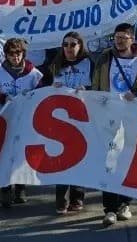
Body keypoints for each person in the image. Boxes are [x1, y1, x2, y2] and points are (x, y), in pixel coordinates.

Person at [91, 22, 137, 226]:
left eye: (123, 38)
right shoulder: (105, 58)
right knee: (109, 160)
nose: (118, 41)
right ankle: (109, 208)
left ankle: (124, 204)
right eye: (116, 37)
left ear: (132, 39)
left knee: (129, 159)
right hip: (108, 116)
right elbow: (95, 84)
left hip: (132, 116)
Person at [0, 38, 44, 208]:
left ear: (23, 54)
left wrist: (29, 99)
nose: (15, 57)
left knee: (21, 155)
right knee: (4, 154)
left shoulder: (34, 74)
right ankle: (5, 189)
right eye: (11, 54)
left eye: (18, 53)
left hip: (24, 120)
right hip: (4, 119)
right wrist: (2, 97)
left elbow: (41, 96)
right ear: (6, 55)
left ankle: (20, 187)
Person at [48, 32, 92, 215]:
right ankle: (61, 197)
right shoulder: (55, 64)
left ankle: (77, 196)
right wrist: (52, 88)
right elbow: (44, 87)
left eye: (73, 44)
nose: (68, 48)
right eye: (65, 44)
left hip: (82, 116)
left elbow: (98, 86)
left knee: (80, 156)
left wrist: (87, 89)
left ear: (80, 46)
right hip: (61, 118)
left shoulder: (89, 63)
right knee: (61, 157)